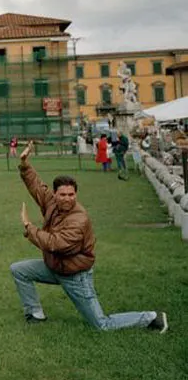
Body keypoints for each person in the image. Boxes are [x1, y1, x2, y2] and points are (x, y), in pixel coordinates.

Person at [9, 141, 168, 332]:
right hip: (55, 267)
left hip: (76, 276)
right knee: (19, 270)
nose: (67, 198)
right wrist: (25, 164)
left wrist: (29, 227)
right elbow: (37, 187)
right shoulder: (52, 203)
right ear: (56, 194)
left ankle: (151, 318)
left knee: (102, 325)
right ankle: (35, 314)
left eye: (71, 194)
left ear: (76, 194)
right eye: (63, 194)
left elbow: (55, 244)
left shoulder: (79, 219)